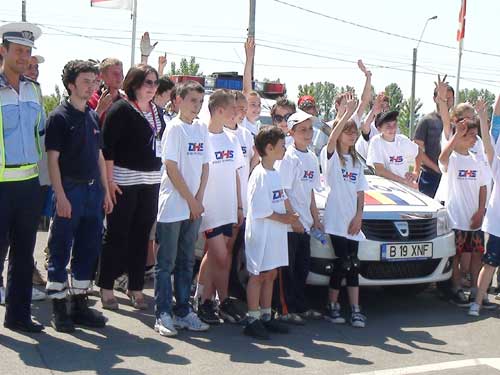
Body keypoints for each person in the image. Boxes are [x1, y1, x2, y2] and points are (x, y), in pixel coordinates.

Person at [45, 60, 113, 332]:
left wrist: (106, 192)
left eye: (94, 81)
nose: (91, 86)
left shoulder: (92, 116)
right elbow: (52, 160)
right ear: (71, 84)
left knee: (88, 249)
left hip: (93, 191)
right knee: (61, 248)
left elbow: (98, 155)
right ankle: (59, 308)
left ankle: (80, 304)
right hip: (69, 190)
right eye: (86, 81)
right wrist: (60, 195)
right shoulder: (59, 117)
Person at [97, 64, 162, 311]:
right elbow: (108, 148)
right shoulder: (121, 109)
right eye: (148, 82)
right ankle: (105, 286)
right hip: (123, 182)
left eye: (155, 83)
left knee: (141, 236)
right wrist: (109, 182)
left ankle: (135, 287)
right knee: (117, 235)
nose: (152, 88)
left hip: (151, 182)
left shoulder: (157, 111)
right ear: (134, 84)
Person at [154, 80, 209, 336]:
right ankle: (163, 313)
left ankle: (184, 310)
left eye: (200, 101)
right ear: (178, 101)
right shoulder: (174, 129)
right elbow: (172, 168)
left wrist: (197, 200)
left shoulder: (201, 128)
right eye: (192, 101)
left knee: (187, 261)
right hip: (174, 206)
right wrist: (190, 200)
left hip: (193, 208)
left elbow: (205, 167)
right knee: (166, 263)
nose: (196, 106)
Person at [0, 22, 45, 332]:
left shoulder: (34, 90)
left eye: (27, 51)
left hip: (28, 185)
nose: (24, 57)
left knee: (23, 253)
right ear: (2, 51)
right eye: (18, 51)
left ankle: (18, 316)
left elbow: (40, 137)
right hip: (1, 185)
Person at [196, 89, 245, 325]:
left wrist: (238, 206)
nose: (237, 113)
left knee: (217, 256)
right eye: (233, 109)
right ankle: (218, 300)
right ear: (219, 110)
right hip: (209, 209)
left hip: (228, 208)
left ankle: (205, 298)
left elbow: (236, 174)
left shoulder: (232, 138)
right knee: (221, 257)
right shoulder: (201, 137)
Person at [243, 126, 297, 339]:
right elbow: (260, 210)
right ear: (269, 148)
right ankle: (252, 318)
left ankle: (266, 315)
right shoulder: (259, 174)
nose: (284, 150)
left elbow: (281, 197)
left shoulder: (274, 172)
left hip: (276, 233)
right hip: (261, 233)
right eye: (282, 146)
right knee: (258, 275)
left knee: (272, 274)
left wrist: (292, 216)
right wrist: (284, 219)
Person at [322, 93, 368, 328]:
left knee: (353, 263)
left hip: (353, 221)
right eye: (347, 131)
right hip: (335, 220)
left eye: (354, 132)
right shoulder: (331, 156)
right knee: (342, 262)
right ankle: (332, 305)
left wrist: (359, 216)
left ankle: (356, 308)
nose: (351, 135)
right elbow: (331, 141)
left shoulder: (357, 161)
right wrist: (347, 114)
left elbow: (361, 192)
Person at [438, 105, 490, 309]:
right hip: (456, 218)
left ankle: (476, 291)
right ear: (461, 136)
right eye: (470, 136)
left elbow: (484, 187)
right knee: (457, 256)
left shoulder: (478, 160)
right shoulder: (452, 159)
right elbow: (441, 158)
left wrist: (481, 210)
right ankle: (457, 288)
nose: (474, 140)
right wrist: (455, 136)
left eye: (476, 136)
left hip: (474, 219)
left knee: (477, 255)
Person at [275, 110, 322, 325]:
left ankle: (300, 305)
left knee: (303, 268)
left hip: (305, 224)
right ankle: (284, 309)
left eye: (310, 129)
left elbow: (311, 192)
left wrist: (315, 218)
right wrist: (293, 219)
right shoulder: (288, 157)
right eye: (302, 130)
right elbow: (283, 192)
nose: (307, 133)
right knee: (287, 270)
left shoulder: (311, 157)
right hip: (289, 226)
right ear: (291, 132)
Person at [469, 97, 500, 316]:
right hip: (498, 224)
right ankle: (477, 303)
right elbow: (489, 144)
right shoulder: (496, 162)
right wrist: (482, 116)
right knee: (489, 264)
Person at [312, 60, 372, 156]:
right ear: (337, 105)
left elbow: (364, 100)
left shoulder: (353, 121)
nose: (350, 107)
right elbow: (318, 152)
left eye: (352, 104)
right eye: (346, 104)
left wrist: (368, 77)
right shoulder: (326, 127)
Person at [414, 82, 455, 198]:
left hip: (451, 176)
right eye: (442, 97)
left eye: (449, 98)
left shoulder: (457, 123)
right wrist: (436, 168)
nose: (446, 100)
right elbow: (418, 150)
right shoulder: (426, 121)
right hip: (430, 177)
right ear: (435, 98)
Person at [366, 110, 420, 188]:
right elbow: (380, 170)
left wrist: (416, 172)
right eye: (388, 126)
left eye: (394, 124)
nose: (392, 129)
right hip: (387, 187)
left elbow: (419, 152)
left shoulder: (403, 140)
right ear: (379, 129)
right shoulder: (376, 141)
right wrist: (404, 181)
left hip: (406, 187)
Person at [88, 58, 124, 125]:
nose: (120, 77)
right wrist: (100, 109)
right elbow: (85, 128)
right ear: (102, 76)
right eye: (115, 74)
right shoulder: (91, 100)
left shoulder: (126, 100)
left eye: (121, 73)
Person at [241, 37, 261, 136]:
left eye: (259, 105)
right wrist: (249, 58)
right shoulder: (242, 122)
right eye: (253, 104)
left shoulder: (258, 127)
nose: (257, 108)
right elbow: (246, 89)